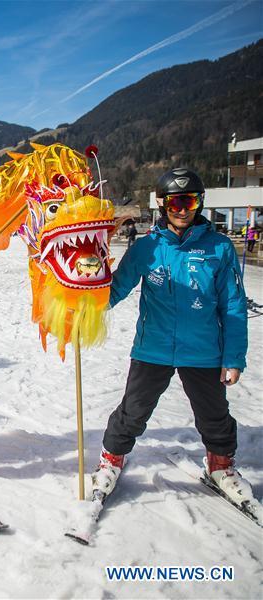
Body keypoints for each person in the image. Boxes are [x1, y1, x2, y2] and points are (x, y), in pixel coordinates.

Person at [92, 168, 251, 505]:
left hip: (205, 351)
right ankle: (111, 460)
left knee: (214, 415)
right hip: (154, 349)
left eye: (189, 200)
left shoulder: (219, 248)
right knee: (132, 412)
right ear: (163, 204)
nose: (182, 209)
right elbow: (115, 290)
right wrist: (83, 291)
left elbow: (234, 306)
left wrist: (234, 358)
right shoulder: (147, 247)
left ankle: (220, 466)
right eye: (175, 202)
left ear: (200, 203)